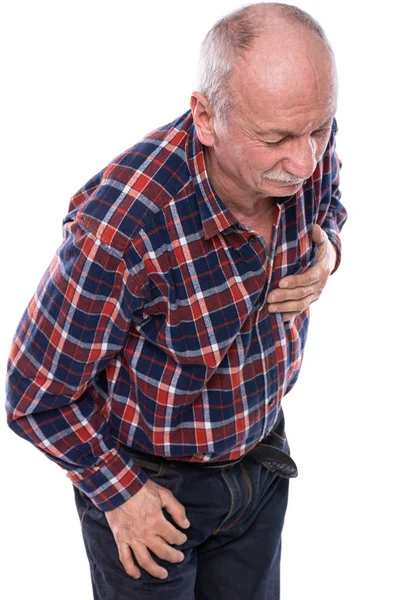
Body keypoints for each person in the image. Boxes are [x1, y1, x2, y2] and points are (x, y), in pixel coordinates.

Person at [5, 3, 347, 599]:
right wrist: (120, 493)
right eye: (276, 140)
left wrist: (329, 253)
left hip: (261, 464)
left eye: (320, 130)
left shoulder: (301, 135)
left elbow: (329, 199)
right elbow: (33, 393)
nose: (305, 162)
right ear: (206, 117)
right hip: (152, 492)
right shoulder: (124, 231)